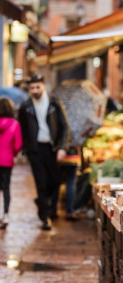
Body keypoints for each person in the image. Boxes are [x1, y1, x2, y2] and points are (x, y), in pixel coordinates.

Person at [19, 74, 70, 230]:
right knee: (40, 183)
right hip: (35, 149)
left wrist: (62, 147)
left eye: (37, 87)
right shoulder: (26, 106)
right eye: (32, 88)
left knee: (55, 181)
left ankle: (42, 202)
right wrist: (25, 149)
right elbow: (23, 129)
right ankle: (45, 217)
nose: (34, 90)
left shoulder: (54, 104)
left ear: (43, 86)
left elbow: (64, 127)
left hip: (52, 148)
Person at [0, 97, 23, 228]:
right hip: (7, 161)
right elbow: (18, 145)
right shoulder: (15, 124)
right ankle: (6, 215)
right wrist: (11, 154)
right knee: (6, 188)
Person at [59, 146, 81, 221]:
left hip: (60, 153)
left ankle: (52, 210)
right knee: (71, 182)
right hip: (73, 154)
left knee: (56, 181)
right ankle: (69, 211)